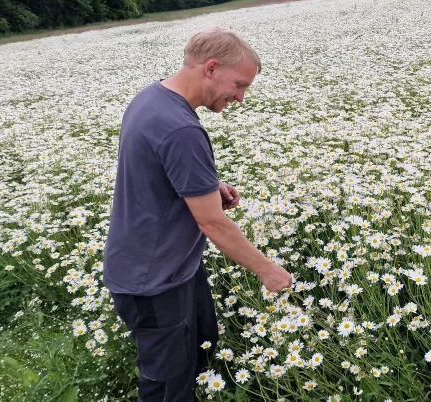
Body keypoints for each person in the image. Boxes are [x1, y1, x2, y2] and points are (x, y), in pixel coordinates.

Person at [103, 27, 293, 402]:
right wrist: (267, 270)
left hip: (171, 265)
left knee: (203, 347)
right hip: (153, 280)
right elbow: (211, 222)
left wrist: (205, 187)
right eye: (239, 85)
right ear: (211, 68)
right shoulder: (181, 129)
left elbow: (155, 169)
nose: (240, 97)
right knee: (167, 387)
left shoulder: (152, 98)